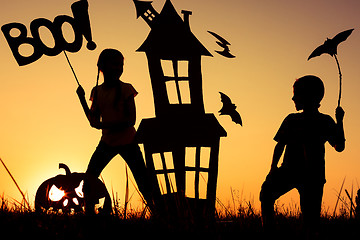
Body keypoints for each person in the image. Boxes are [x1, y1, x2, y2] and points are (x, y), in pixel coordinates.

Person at [259, 75, 345, 236]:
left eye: (296, 93)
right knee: (267, 193)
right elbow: (280, 145)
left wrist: (339, 121)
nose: (293, 97)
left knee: (309, 219)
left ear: (308, 96)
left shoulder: (312, 120)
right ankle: (269, 232)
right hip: (306, 175)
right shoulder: (316, 120)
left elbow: (339, 146)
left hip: (307, 175)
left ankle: (269, 233)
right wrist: (273, 169)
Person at [76, 48, 153, 213]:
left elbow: (131, 120)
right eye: (115, 65)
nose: (119, 68)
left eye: (121, 65)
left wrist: (104, 126)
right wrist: (82, 100)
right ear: (102, 66)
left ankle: (159, 212)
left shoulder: (126, 89)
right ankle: (89, 213)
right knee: (89, 179)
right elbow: (93, 121)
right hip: (107, 143)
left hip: (128, 142)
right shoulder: (97, 92)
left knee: (143, 182)